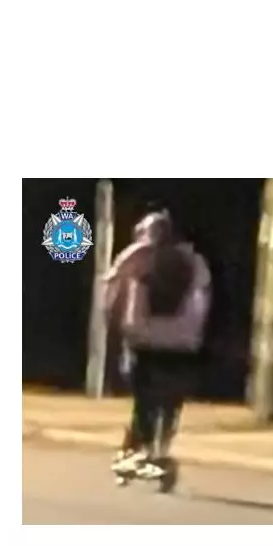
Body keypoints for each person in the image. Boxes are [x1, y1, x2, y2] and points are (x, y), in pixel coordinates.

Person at [103, 209, 211, 490]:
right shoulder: (194, 260)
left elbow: (111, 291)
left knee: (144, 402)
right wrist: (197, 337)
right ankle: (159, 449)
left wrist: (114, 328)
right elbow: (203, 300)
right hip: (181, 343)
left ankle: (134, 450)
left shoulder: (135, 255)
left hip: (144, 340)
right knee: (170, 402)